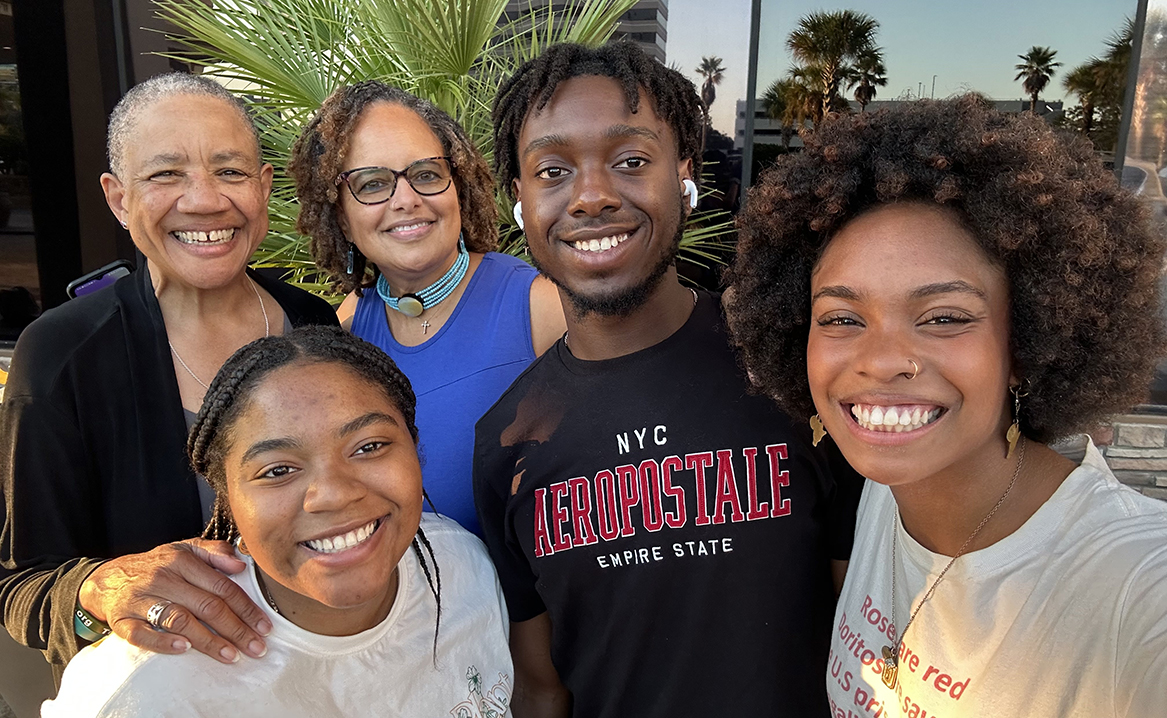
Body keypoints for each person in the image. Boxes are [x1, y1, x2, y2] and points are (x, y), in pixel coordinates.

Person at [727, 96, 1167, 717]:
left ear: (1026, 342)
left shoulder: (1133, 586)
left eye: (943, 318)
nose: (882, 360)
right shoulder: (887, 491)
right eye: (843, 317)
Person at [474, 42, 863, 717]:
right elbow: (541, 690)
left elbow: (865, 630)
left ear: (681, 174)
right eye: (552, 170)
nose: (591, 196)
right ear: (519, 199)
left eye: (629, 161)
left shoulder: (791, 377)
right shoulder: (507, 442)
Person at [0, 73, 338, 682]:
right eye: (165, 174)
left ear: (263, 189)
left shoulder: (315, 326)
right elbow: (21, 584)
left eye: (230, 171)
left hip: (323, 683)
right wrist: (96, 591)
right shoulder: (60, 354)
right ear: (118, 197)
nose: (205, 200)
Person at [43, 326, 513, 717]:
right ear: (227, 496)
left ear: (415, 446)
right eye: (277, 470)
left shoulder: (464, 567)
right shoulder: (145, 685)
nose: (332, 494)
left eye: (369, 446)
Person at [289, 82, 565, 537]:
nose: (405, 199)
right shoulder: (346, 331)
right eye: (372, 183)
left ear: (457, 186)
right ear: (341, 216)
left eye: (426, 173)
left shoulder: (540, 307)